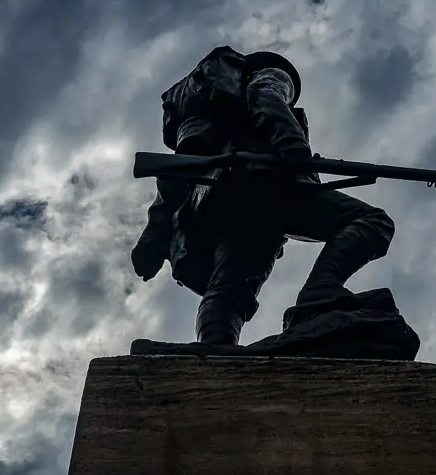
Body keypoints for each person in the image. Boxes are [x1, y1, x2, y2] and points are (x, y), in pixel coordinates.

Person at [130, 45, 395, 345]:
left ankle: (215, 348)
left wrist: (151, 241)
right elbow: (265, 98)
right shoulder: (268, 75)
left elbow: (172, 181)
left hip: (217, 200)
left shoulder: (205, 117)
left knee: (230, 284)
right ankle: (320, 292)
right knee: (372, 221)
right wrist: (293, 144)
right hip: (264, 184)